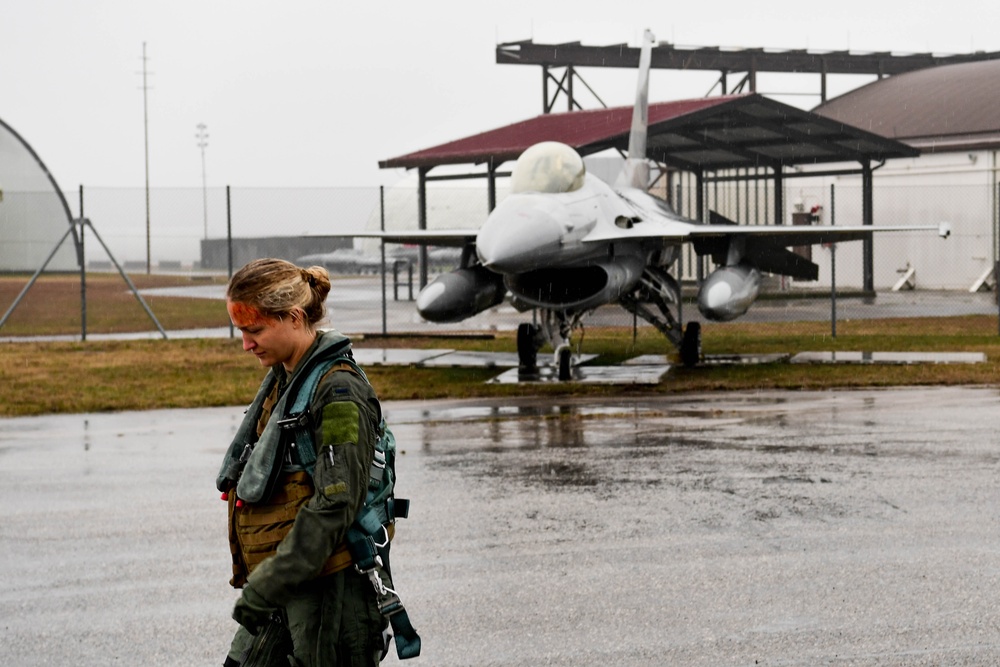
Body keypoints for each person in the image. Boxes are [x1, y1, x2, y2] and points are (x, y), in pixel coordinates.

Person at [217, 258, 388, 666]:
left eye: (254, 330)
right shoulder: (285, 382)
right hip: (287, 586)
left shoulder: (339, 392)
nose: (246, 343)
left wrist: (267, 585)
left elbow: (336, 504)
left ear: (294, 317)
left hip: (328, 593)